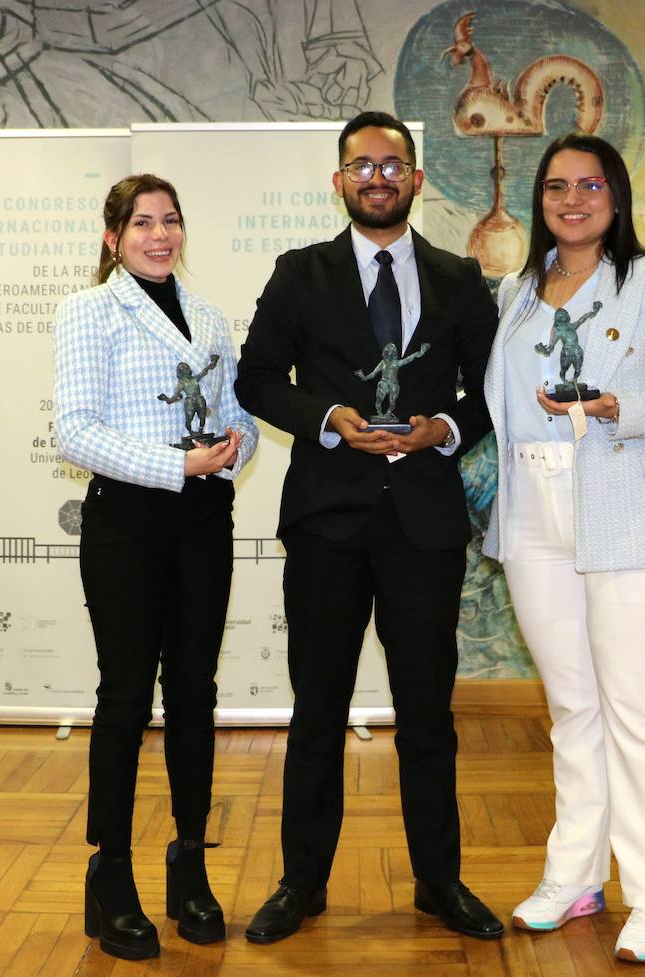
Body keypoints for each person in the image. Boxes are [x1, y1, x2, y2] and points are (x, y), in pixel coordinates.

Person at [234, 111, 503, 943]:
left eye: (393, 165)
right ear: (340, 181)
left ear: (416, 180)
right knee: (318, 707)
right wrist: (328, 417)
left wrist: (443, 431)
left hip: (423, 522)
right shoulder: (298, 274)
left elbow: (490, 391)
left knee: (428, 713)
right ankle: (301, 884)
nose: (378, 177)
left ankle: (440, 882)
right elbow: (254, 380)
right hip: (327, 522)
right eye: (362, 165)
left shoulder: (461, 278)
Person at [481, 133, 645, 963]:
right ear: (539, 199)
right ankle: (575, 873)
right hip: (537, 515)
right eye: (555, 186)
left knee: (635, 710)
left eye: (589, 184)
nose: (571, 199)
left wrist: (618, 404)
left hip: (631, 514)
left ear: (615, 195)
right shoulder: (516, 289)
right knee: (573, 709)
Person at [53, 174, 259, 960]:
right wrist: (176, 466)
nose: (160, 234)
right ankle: (110, 872)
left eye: (171, 220)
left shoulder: (208, 316)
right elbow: (74, 431)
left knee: (197, 694)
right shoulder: (88, 310)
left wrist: (231, 454)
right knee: (125, 695)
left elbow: (238, 419)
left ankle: (188, 862)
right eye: (142, 222)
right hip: (127, 524)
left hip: (205, 518)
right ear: (113, 238)